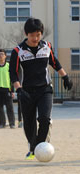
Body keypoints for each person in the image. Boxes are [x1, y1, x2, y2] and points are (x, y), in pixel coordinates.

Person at [9, 18, 73, 160]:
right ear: (26, 34)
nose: (35, 38)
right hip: (26, 91)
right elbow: (13, 72)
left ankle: (41, 146)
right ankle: (32, 148)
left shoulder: (46, 46)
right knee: (29, 123)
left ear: (41, 34)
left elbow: (54, 62)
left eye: (38, 35)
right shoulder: (18, 51)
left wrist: (65, 77)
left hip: (45, 90)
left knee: (44, 118)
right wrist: (19, 89)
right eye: (32, 35)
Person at [0, 49, 15, 129]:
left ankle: (12, 123)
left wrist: (12, 90)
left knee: (9, 107)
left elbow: (12, 79)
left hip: (7, 89)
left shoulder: (9, 66)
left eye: (2, 54)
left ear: (5, 56)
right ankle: (2, 123)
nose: (0, 56)